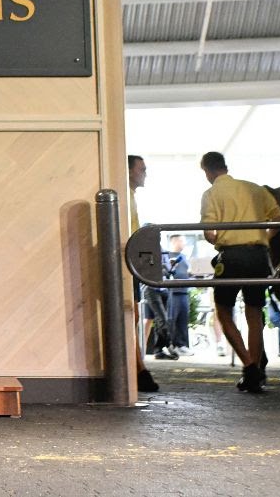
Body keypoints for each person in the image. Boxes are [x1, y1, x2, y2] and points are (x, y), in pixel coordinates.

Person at [199, 151, 280, 393]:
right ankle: (255, 369)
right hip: (259, 255)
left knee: (223, 309)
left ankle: (248, 366)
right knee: (254, 312)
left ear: (207, 170)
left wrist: (220, 241)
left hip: (231, 256)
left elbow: (209, 232)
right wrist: (263, 238)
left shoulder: (212, 193)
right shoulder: (255, 188)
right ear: (225, 166)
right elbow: (278, 218)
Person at [127, 155, 160, 391]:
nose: (145, 173)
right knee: (132, 316)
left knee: (134, 316)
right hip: (126, 261)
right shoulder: (127, 197)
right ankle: (138, 369)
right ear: (129, 171)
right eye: (142, 169)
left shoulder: (131, 197)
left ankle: (139, 368)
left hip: (129, 261)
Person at [165, 234, 192, 355]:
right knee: (172, 319)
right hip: (172, 291)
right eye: (181, 241)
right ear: (174, 241)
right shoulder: (167, 256)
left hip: (184, 291)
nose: (184, 243)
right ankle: (172, 344)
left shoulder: (184, 257)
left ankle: (182, 344)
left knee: (183, 319)